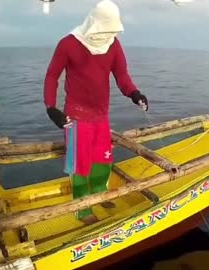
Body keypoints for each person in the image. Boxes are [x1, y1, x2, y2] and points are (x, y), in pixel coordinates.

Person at [43, 0, 148, 225]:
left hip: (101, 116)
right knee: (80, 166)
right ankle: (82, 209)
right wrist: (51, 108)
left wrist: (134, 93)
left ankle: (99, 194)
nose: (108, 34)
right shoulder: (68, 44)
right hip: (76, 117)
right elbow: (52, 75)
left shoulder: (114, 45)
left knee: (103, 160)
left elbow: (121, 75)